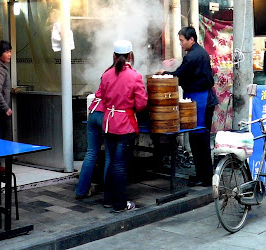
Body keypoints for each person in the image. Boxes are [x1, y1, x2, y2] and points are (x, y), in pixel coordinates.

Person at [157, 26, 216, 187]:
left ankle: (204, 177)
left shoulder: (192, 56)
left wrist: (164, 74)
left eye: (182, 40)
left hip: (201, 99)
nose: (180, 43)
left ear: (191, 39)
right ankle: (204, 175)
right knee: (199, 139)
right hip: (202, 98)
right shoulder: (199, 53)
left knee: (199, 139)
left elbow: (179, 74)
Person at [97, 40, 148, 212]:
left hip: (109, 124)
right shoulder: (135, 76)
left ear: (113, 56)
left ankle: (108, 199)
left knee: (112, 162)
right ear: (130, 56)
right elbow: (141, 104)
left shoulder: (106, 75)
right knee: (120, 165)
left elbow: (101, 96)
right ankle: (120, 204)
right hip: (125, 124)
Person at [75, 94, 109, 201]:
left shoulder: (105, 82)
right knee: (110, 155)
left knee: (91, 152)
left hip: (93, 112)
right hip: (106, 114)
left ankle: (81, 190)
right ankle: (109, 195)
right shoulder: (123, 82)